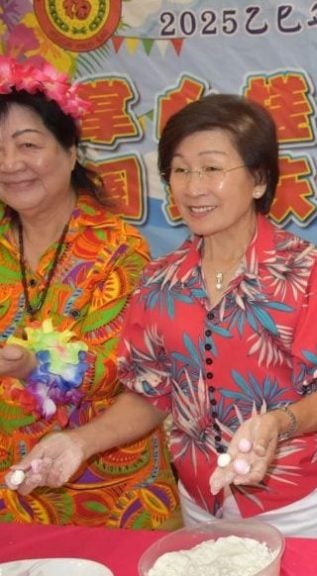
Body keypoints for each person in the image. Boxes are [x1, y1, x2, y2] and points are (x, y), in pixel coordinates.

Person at [8, 94, 317, 539]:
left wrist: (278, 423)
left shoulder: (310, 270)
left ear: (258, 180)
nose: (193, 188)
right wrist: (79, 442)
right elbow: (150, 394)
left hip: (301, 500)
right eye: (180, 170)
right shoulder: (160, 281)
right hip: (202, 497)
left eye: (212, 168)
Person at [0, 57, 178, 528]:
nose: (11, 164)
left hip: (111, 493)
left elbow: (122, 369)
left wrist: (31, 365)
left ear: (71, 151)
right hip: (10, 496)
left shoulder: (118, 248)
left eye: (28, 144)